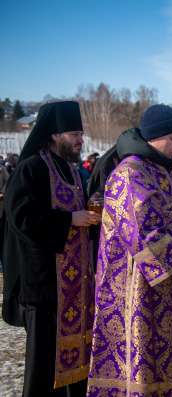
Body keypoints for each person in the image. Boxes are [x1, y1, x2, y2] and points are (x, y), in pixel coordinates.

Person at [86, 105, 172, 396]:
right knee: (142, 350)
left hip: (168, 278)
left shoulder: (165, 169)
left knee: (170, 350)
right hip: (134, 283)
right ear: (152, 136)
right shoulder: (131, 172)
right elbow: (142, 231)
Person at [1, 101, 101, 397]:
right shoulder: (32, 168)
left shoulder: (71, 170)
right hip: (45, 284)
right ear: (54, 135)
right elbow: (22, 218)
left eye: (81, 133)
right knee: (44, 364)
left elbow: (79, 215)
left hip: (75, 284)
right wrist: (71, 218)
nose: (80, 140)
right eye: (74, 134)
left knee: (77, 358)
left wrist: (91, 213)